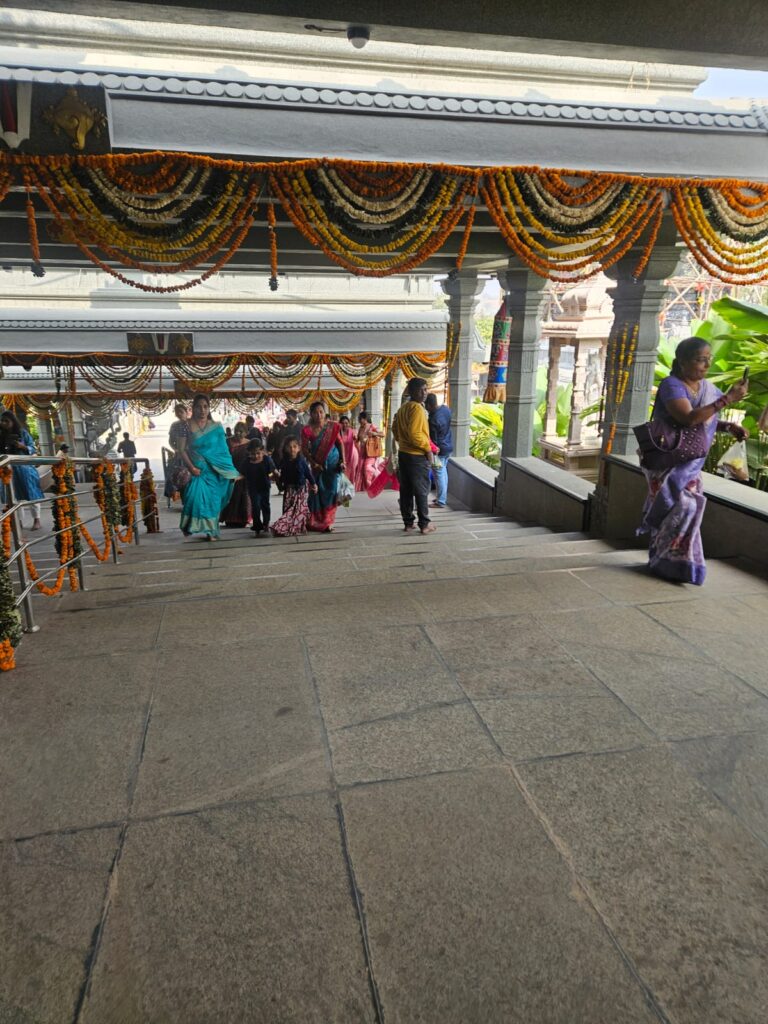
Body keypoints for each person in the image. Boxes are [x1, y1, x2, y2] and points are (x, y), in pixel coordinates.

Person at [638, 336, 749, 585]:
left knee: (689, 510)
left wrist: (728, 426)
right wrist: (728, 399)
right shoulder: (672, 385)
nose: (706, 365)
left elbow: (706, 420)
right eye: (700, 359)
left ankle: (680, 565)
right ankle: (661, 560)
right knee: (677, 509)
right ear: (683, 361)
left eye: (708, 359)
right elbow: (688, 419)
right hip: (666, 459)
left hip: (691, 461)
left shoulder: (707, 389)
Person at [179, 393, 241, 541]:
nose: (202, 410)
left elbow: (223, 451)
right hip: (197, 471)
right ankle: (193, 526)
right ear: (193, 408)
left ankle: (211, 531)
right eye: (199, 407)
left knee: (212, 501)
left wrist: (230, 471)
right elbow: (181, 449)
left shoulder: (216, 427)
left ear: (209, 409)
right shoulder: (185, 426)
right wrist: (192, 468)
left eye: (205, 407)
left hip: (215, 471)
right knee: (194, 499)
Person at [391, 377, 436, 535]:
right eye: (421, 390)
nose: (424, 393)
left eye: (426, 389)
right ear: (412, 391)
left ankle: (408, 523)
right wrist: (427, 449)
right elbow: (415, 434)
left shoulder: (403, 408)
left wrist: (401, 440)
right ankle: (424, 524)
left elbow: (394, 427)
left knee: (406, 490)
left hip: (404, 454)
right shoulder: (417, 408)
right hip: (416, 456)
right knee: (421, 490)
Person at [302, 401, 345, 532]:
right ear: (311, 414)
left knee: (331, 492)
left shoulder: (332, 427)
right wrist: (313, 462)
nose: (319, 415)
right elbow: (304, 449)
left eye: (321, 412)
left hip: (333, 466)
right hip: (317, 467)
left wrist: (343, 461)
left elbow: (340, 443)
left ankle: (328, 521)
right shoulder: (307, 430)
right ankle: (315, 521)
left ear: (324, 412)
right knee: (317, 493)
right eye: (315, 412)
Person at [0, 411, 44, 530]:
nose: (4, 423)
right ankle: (18, 522)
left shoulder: (22, 433)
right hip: (8, 470)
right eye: (2, 421)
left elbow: (33, 449)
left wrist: (22, 446)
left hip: (25, 469)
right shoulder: (1, 435)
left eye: (6, 421)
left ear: (13, 422)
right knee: (13, 496)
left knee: (31, 493)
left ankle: (37, 520)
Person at [271, 437, 317, 537]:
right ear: (285, 449)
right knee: (289, 509)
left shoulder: (302, 461)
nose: (292, 449)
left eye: (295, 447)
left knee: (299, 509)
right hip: (289, 489)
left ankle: (297, 527)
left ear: (299, 448)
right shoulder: (284, 461)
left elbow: (308, 474)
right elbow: (282, 476)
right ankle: (284, 527)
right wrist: (280, 482)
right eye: (290, 447)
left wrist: (314, 484)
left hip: (301, 489)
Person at [426, 393, 453, 509]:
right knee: (443, 473)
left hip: (439, 450)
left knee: (439, 475)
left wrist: (431, 453)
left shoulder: (433, 419)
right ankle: (442, 497)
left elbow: (433, 440)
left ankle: (441, 501)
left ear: (429, 405)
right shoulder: (446, 409)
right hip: (448, 446)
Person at [221, 422, 251, 527]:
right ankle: (230, 519)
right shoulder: (228, 442)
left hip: (244, 474)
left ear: (246, 432)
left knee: (243, 497)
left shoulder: (249, 444)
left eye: (241, 431)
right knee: (230, 496)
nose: (238, 433)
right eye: (236, 431)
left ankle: (243, 519)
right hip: (230, 473)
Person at [244, 438, 276, 536]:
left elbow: (272, 470)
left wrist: (276, 475)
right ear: (249, 452)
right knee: (256, 506)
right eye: (253, 454)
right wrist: (235, 478)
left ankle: (266, 523)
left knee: (265, 505)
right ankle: (257, 525)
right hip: (253, 488)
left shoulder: (267, 459)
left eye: (258, 453)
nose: (256, 456)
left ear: (262, 451)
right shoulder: (247, 462)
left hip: (265, 487)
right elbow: (242, 473)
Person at [164, 404, 189, 503]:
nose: (179, 414)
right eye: (177, 412)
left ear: (186, 412)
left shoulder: (192, 424)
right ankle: (181, 499)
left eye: (181, 412)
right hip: (179, 456)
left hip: (191, 455)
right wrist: (175, 449)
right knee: (177, 476)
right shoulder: (174, 425)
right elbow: (170, 441)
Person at [355, 411, 384, 492]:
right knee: (360, 471)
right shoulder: (360, 428)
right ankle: (364, 488)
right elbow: (358, 439)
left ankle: (375, 482)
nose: (359, 421)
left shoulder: (372, 427)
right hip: (362, 452)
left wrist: (374, 433)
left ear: (365, 419)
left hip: (371, 453)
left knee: (367, 468)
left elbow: (382, 434)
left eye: (360, 419)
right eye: (359, 419)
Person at [338, 415, 360, 490]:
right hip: (342, 455)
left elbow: (356, 439)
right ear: (340, 424)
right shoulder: (338, 432)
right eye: (343, 423)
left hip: (352, 455)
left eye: (346, 423)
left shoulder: (351, 431)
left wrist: (357, 438)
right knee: (344, 471)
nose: (345, 425)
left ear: (349, 424)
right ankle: (344, 488)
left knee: (352, 471)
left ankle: (351, 487)